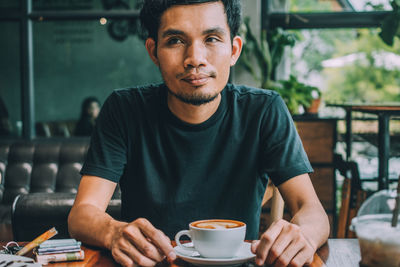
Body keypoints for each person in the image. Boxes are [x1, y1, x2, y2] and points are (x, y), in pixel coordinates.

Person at [68, 1, 330, 266]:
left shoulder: (263, 110)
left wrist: (303, 235)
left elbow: (312, 211)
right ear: (153, 51)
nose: (195, 58)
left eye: (212, 39)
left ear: (234, 50)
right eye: (175, 41)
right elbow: (82, 213)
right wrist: (113, 232)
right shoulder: (124, 109)